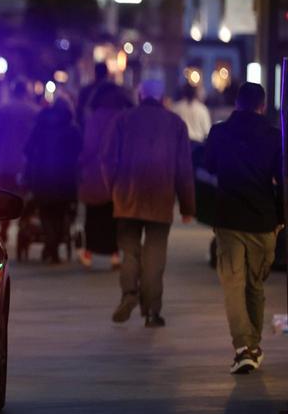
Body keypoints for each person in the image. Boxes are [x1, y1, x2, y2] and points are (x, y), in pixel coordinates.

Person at [202, 82, 284, 374]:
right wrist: (281, 219)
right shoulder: (276, 137)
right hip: (263, 223)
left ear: (237, 103)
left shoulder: (220, 132)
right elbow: (282, 179)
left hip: (229, 220)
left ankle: (244, 347)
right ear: (262, 105)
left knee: (232, 285)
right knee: (254, 285)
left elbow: (209, 166)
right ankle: (252, 346)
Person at [102, 78, 195, 327]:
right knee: (155, 253)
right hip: (160, 198)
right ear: (162, 96)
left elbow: (108, 160)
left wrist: (113, 190)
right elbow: (184, 169)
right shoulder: (176, 124)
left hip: (127, 198)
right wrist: (187, 207)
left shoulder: (122, 120)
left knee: (130, 250)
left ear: (140, 95)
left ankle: (129, 294)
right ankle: (152, 312)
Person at [77, 82, 132, 269]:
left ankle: (89, 252)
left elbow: (89, 146)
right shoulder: (124, 117)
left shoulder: (94, 118)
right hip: (119, 172)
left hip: (95, 172)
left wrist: (82, 162)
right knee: (115, 215)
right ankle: (115, 253)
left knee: (93, 214)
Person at [23, 97, 82, 263]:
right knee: (61, 212)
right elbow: (80, 152)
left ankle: (51, 245)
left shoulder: (39, 128)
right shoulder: (72, 129)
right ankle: (53, 246)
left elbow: (28, 150)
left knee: (46, 212)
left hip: (41, 175)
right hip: (65, 177)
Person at [76, 62, 110, 127]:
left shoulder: (86, 91)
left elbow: (78, 113)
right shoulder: (112, 90)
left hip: (90, 127)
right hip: (108, 128)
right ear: (107, 73)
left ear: (95, 73)